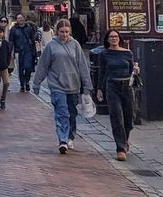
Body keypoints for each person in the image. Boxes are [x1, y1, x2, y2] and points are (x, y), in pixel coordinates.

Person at [32, 18, 93, 155]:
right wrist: (36, 83)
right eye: (61, 32)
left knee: (72, 113)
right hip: (57, 85)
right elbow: (43, 66)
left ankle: (70, 135)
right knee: (62, 113)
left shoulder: (75, 45)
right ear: (57, 31)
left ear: (70, 31)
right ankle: (63, 140)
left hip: (73, 85)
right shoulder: (51, 46)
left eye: (66, 32)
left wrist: (87, 86)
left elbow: (82, 66)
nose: (64, 34)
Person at [94, 29, 138, 161]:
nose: (113, 39)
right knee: (117, 117)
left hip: (127, 86)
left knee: (129, 117)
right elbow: (102, 72)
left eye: (116, 36)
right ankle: (120, 148)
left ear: (119, 38)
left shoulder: (127, 53)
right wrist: (99, 89)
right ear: (107, 40)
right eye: (111, 37)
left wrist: (136, 70)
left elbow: (132, 70)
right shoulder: (104, 54)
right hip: (112, 86)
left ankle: (125, 140)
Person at [9, 13, 38, 93]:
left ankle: (27, 81)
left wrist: (34, 53)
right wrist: (10, 52)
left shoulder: (29, 28)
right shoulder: (14, 29)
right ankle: (22, 84)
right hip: (18, 51)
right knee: (20, 69)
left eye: (21, 18)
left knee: (28, 67)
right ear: (16, 20)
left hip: (28, 50)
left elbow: (32, 41)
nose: (20, 19)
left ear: (24, 18)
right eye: (18, 18)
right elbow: (11, 41)